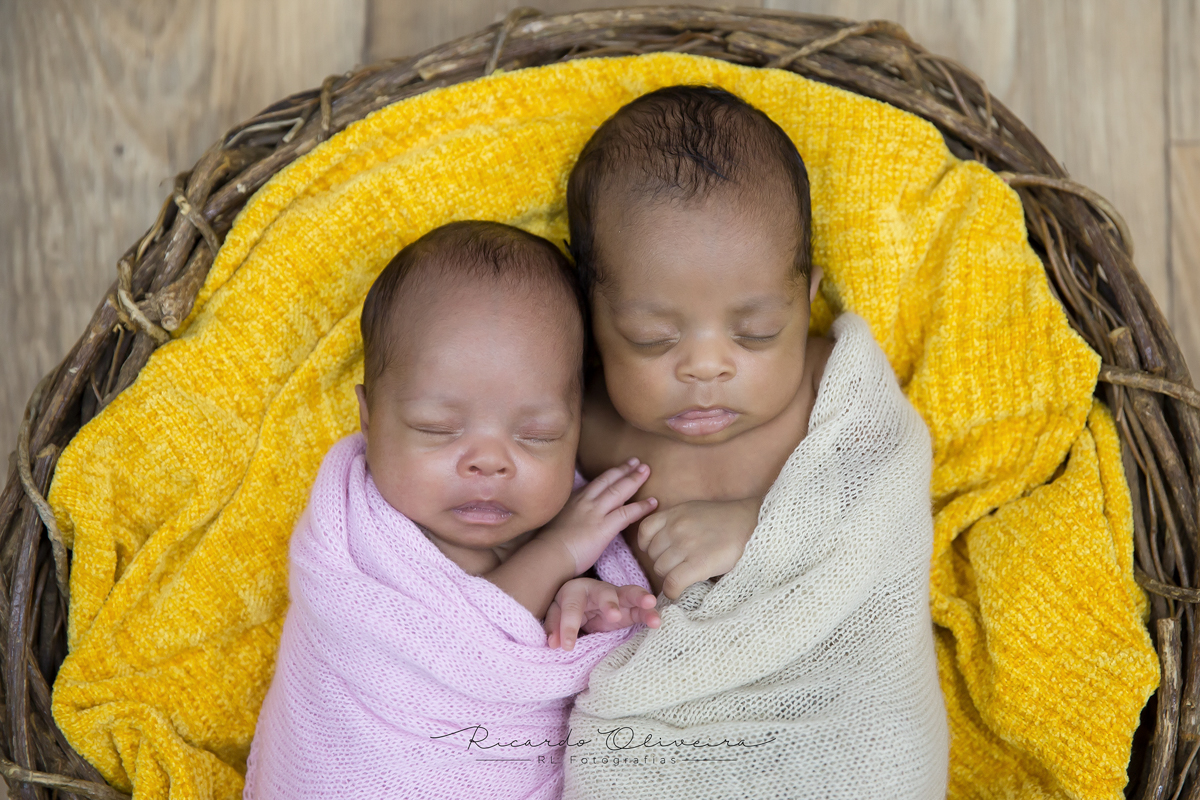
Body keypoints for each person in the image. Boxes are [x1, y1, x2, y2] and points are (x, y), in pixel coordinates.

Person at [562, 86, 949, 799]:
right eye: (653, 338)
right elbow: (538, 538)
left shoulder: (829, 384)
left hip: (841, 720)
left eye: (757, 332)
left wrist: (763, 529)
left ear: (806, 302)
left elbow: (890, 487)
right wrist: (584, 594)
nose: (706, 366)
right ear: (591, 318)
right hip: (675, 731)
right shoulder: (583, 425)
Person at [244, 221, 661, 800]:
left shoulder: (568, 520)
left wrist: (580, 608)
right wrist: (559, 551)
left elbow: (521, 662)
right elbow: (464, 651)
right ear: (368, 418)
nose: (489, 462)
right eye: (436, 429)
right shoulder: (361, 541)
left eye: (537, 435)